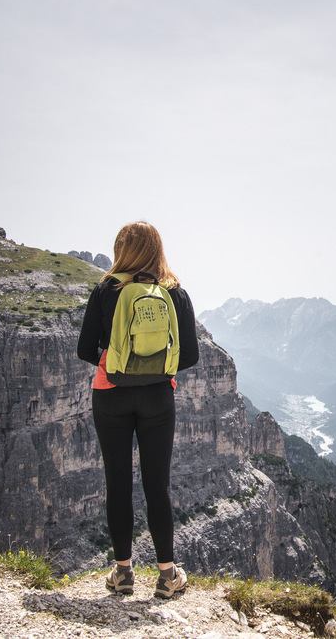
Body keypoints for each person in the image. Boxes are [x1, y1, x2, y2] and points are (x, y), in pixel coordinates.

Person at [76, 221, 199, 599]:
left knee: (118, 482)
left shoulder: (106, 290)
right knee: (156, 484)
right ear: (158, 250)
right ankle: (166, 575)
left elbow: (84, 349)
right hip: (158, 399)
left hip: (110, 395)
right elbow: (190, 356)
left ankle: (123, 573)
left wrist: (114, 361)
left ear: (121, 251)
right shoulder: (174, 293)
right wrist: (153, 369)